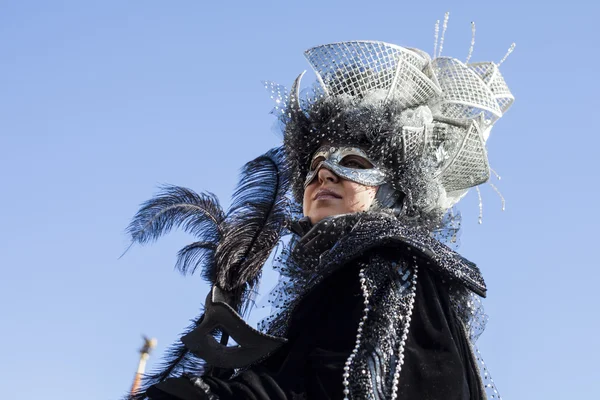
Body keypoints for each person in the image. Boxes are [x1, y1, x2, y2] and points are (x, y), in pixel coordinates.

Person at [125, 23, 514, 400]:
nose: (323, 172)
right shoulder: (346, 271)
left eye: (353, 162)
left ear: (397, 191)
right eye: (314, 164)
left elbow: (353, 383)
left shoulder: (386, 263)